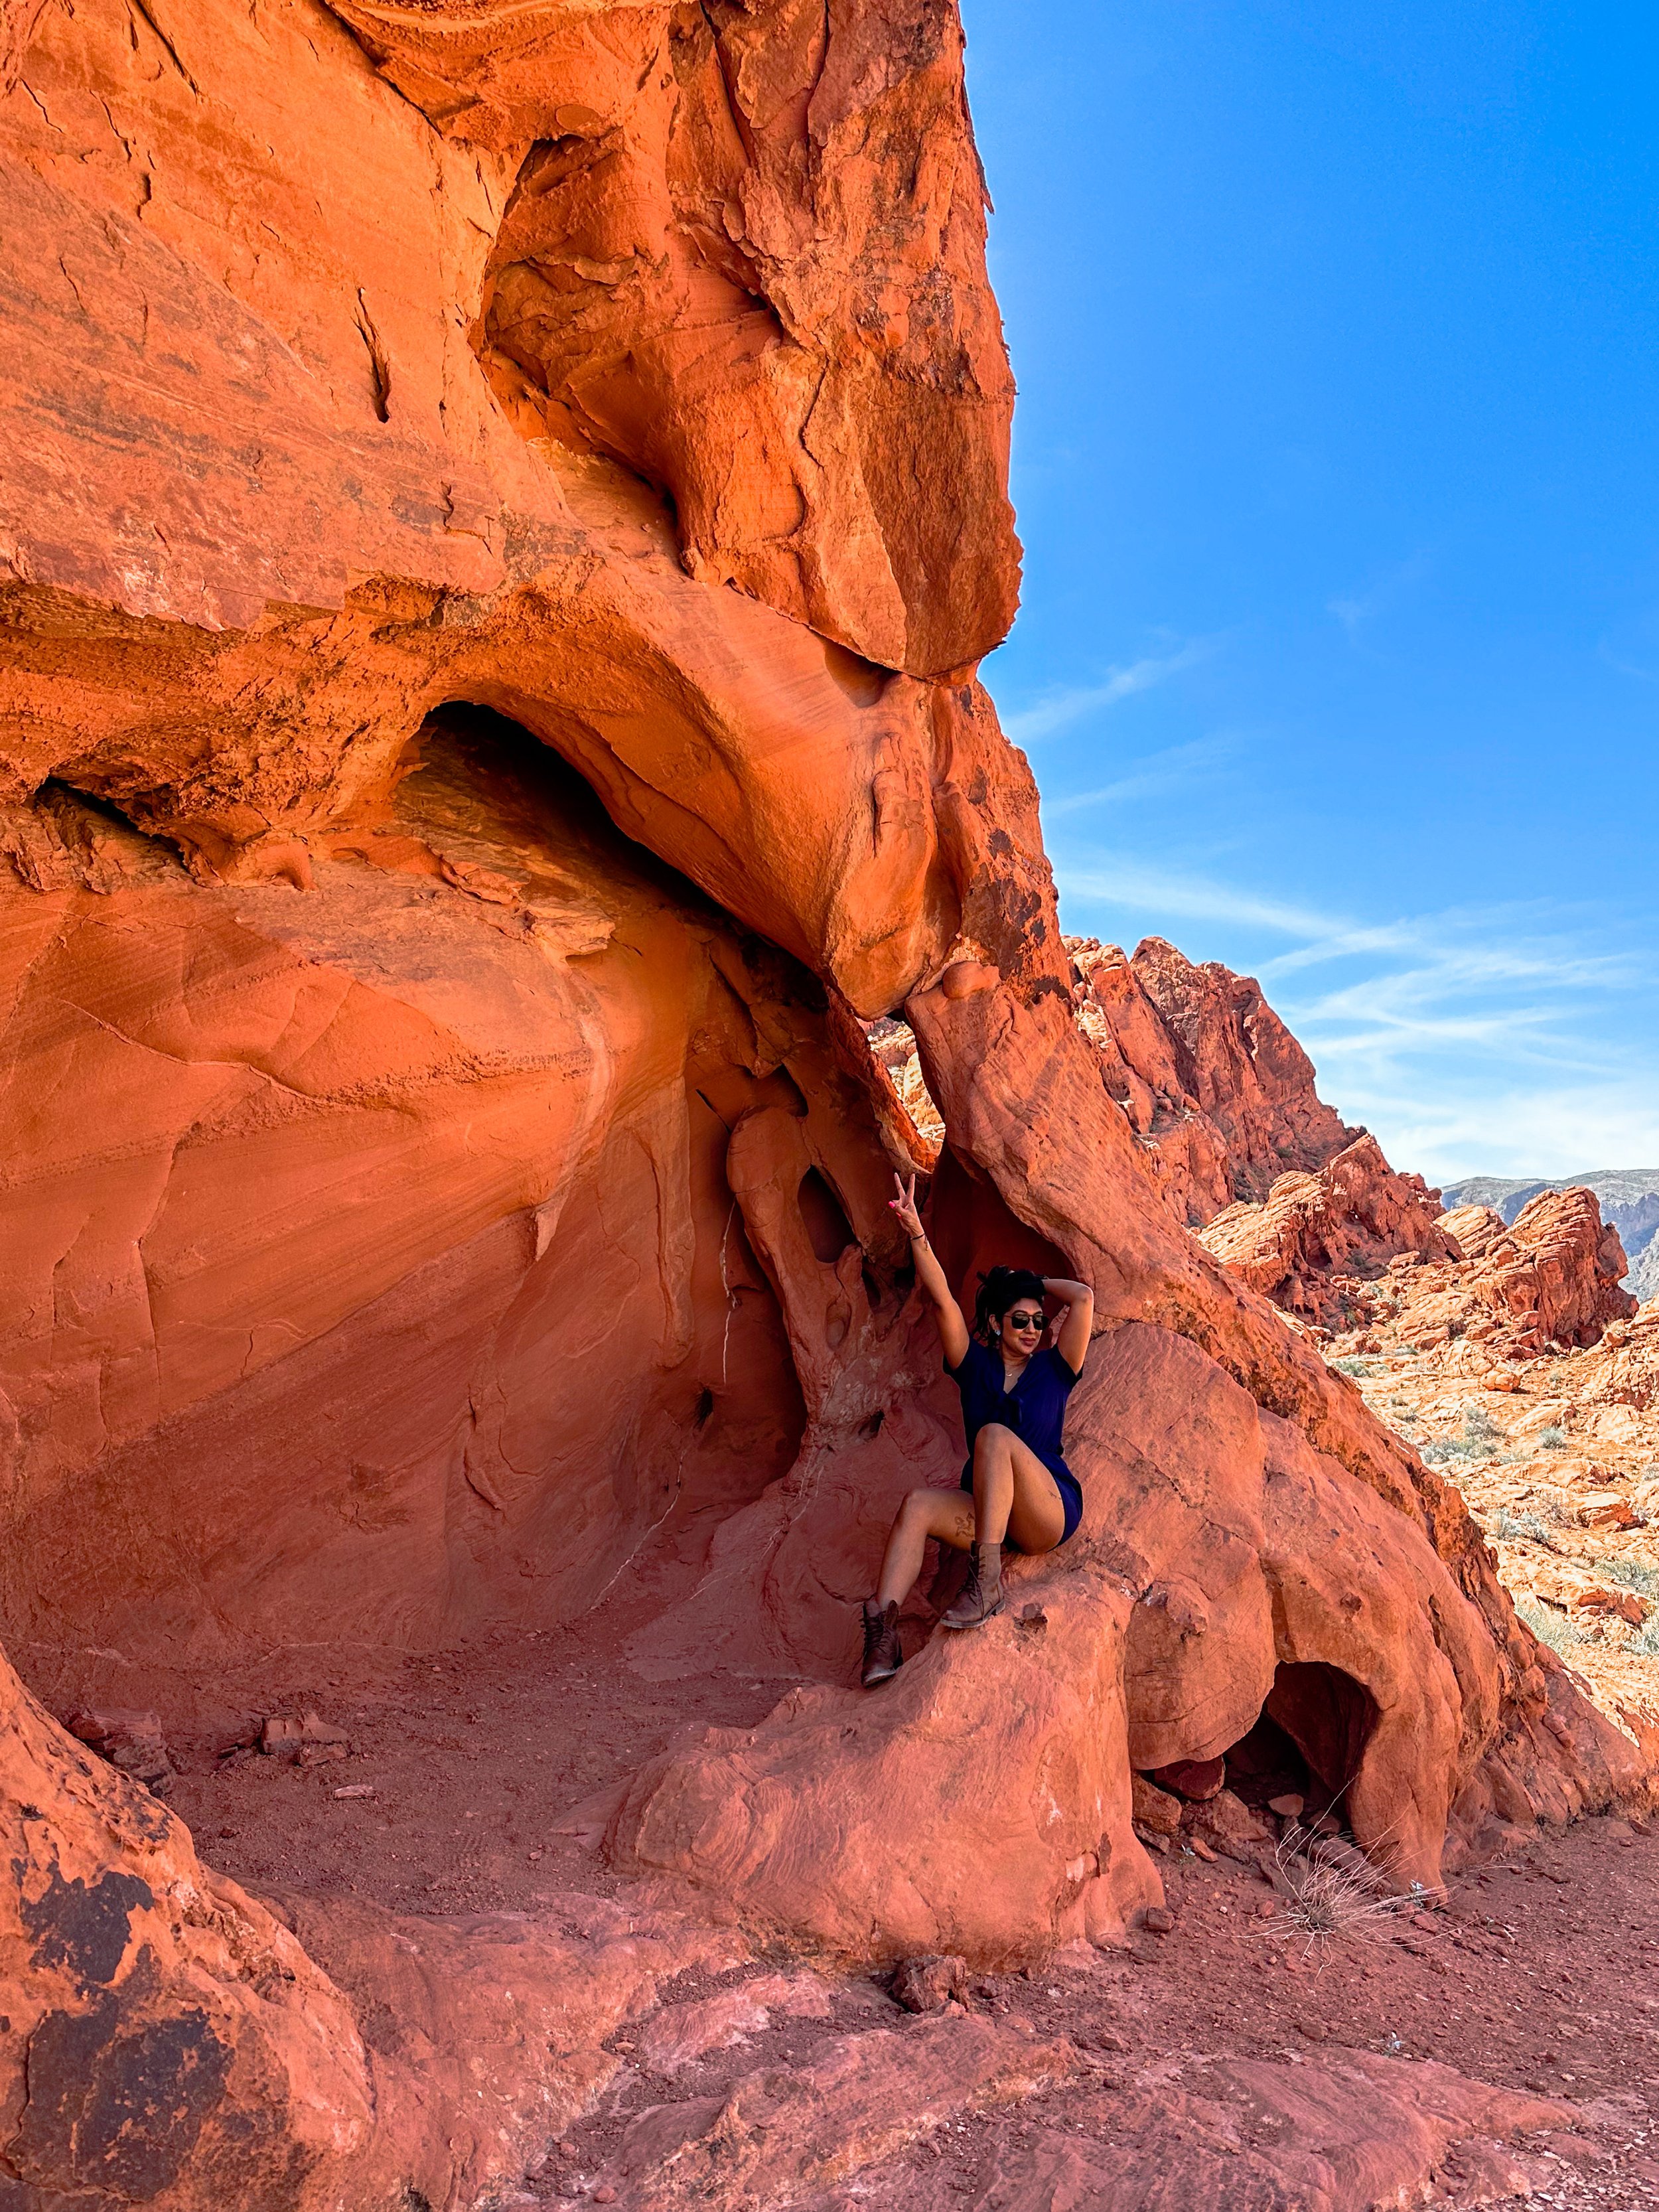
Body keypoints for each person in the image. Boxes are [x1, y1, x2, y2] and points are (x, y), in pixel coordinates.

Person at [862, 1173, 1095, 1687]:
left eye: (1038, 1321)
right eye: (1021, 1320)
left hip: (1044, 1511)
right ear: (994, 1325)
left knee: (993, 1436)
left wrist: (1028, 1284)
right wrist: (915, 1232)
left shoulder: (1055, 1370)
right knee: (917, 1505)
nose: (1033, 1330)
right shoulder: (974, 1366)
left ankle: (985, 1584)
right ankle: (883, 1636)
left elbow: (1081, 1297)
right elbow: (944, 1300)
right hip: (991, 1510)